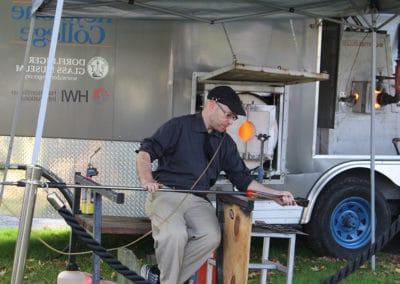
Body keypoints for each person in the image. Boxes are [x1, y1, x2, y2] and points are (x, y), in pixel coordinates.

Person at [136, 85, 296, 284]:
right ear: (212, 105)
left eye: (233, 118)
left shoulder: (226, 143)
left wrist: (274, 195)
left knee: (211, 236)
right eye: (228, 115)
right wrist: (147, 179)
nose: (230, 122)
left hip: (197, 201)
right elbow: (145, 152)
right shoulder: (178, 126)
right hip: (167, 194)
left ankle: (161, 278)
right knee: (175, 234)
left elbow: (242, 179)